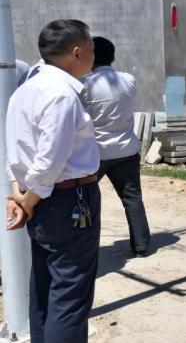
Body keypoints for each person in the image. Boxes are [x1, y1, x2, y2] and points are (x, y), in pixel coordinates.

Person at [5, 19, 100, 342]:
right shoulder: (61, 94)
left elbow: (15, 149)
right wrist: (29, 198)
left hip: (41, 197)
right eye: (91, 49)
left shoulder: (24, 90)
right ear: (76, 52)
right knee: (71, 294)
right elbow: (50, 158)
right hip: (67, 198)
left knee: (46, 285)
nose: (92, 56)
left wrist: (17, 192)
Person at [81, 36, 151, 257]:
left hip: (96, 153)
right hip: (126, 149)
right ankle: (141, 246)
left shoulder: (84, 85)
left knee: (86, 200)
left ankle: (85, 248)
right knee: (132, 198)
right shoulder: (128, 80)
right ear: (112, 56)